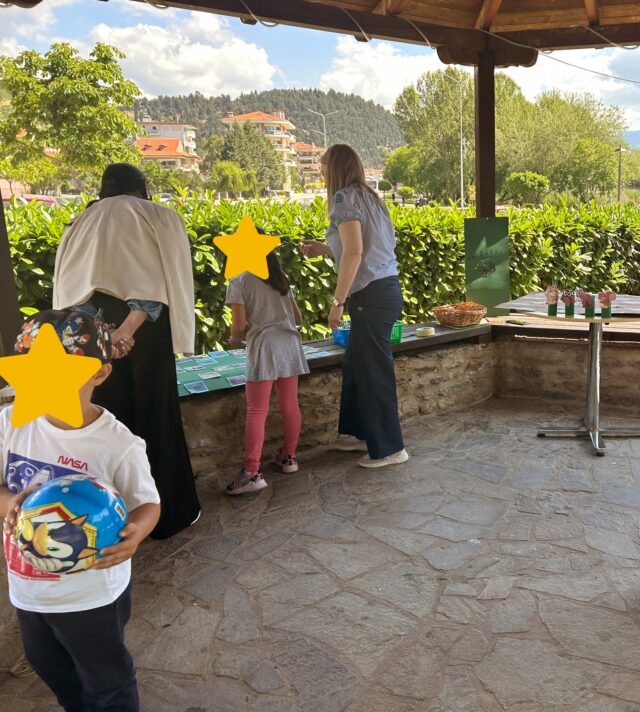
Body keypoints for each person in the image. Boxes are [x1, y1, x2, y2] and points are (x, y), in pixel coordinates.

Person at [0, 310, 160, 712]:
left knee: (107, 680)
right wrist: (9, 503)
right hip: (28, 589)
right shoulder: (11, 423)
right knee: (49, 666)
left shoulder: (117, 444)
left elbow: (148, 504)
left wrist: (137, 533)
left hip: (91, 594)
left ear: (99, 374)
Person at [52, 163, 200, 539]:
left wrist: (102, 332)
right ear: (142, 186)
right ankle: (168, 513)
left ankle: (110, 516)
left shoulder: (81, 221)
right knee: (157, 414)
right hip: (146, 330)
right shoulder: (157, 215)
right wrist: (127, 329)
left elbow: (71, 287)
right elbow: (160, 281)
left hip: (92, 334)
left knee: (108, 420)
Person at [301, 144, 408, 468]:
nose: (321, 173)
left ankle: (390, 449)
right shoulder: (371, 197)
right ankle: (355, 434)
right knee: (358, 367)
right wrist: (325, 249)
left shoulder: (344, 198)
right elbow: (366, 247)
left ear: (334, 168)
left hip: (371, 297)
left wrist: (337, 302)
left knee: (373, 372)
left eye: (323, 167)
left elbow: (355, 253)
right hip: (385, 290)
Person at [224, 244, 309, 494]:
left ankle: (251, 471)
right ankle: (289, 457)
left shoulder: (239, 281)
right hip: (289, 344)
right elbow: (298, 318)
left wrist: (234, 339)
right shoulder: (280, 279)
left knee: (257, 409)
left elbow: (238, 326)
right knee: (290, 403)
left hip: (263, 346)